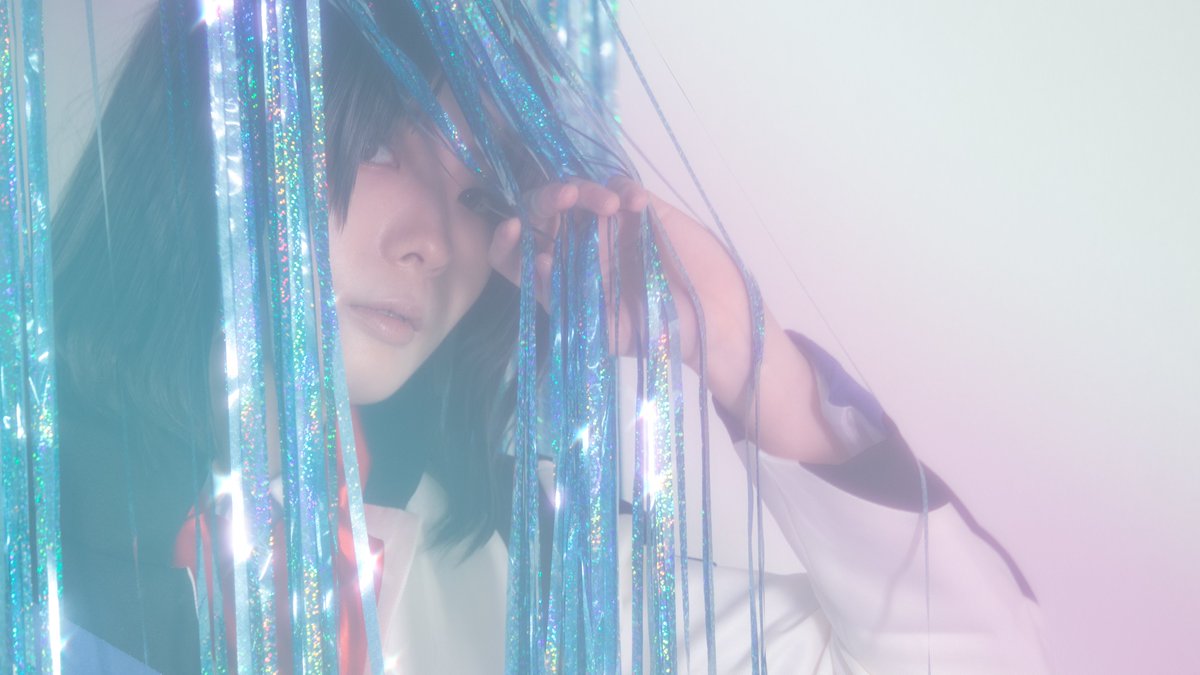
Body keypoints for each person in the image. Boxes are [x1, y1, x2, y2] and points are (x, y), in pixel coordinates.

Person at [52, 1, 1050, 673]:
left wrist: (745, 352)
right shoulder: (33, 488)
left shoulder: (519, 566)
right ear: (221, 126)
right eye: (386, 149)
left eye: (477, 192)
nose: (430, 243)